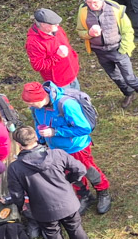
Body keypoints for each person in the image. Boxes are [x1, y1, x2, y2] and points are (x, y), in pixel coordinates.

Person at [5, 125, 95, 239]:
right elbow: (80, 169)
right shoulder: (57, 154)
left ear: (18, 144)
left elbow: (16, 193)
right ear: (36, 137)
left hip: (42, 208)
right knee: (75, 227)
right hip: (67, 202)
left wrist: (22, 205)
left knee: (53, 234)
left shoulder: (15, 168)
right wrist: (67, 181)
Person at [21, 79, 111, 212]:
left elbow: (84, 128)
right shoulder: (36, 109)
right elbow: (37, 122)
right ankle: (84, 195)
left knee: (88, 169)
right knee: (69, 173)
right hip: (56, 149)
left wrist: (55, 132)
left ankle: (103, 192)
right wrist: (39, 140)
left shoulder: (66, 105)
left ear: (40, 98)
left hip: (76, 147)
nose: (29, 106)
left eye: (31, 103)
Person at [76, 0, 138, 111]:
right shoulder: (83, 11)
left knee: (130, 78)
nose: (92, 5)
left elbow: (128, 31)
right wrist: (89, 34)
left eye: (95, 2)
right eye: (89, 2)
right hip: (100, 51)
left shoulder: (116, 9)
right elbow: (80, 31)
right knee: (115, 77)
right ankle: (129, 94)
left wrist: (124, 49)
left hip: (117, 49)